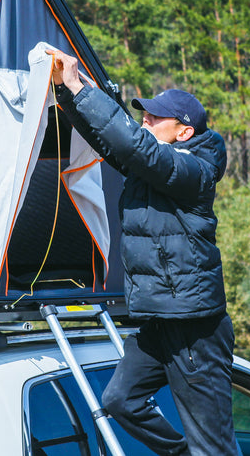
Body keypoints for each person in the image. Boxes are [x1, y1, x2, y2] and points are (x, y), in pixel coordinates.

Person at [46, 48, 237, 456]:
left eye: (154, 117)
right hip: (162, 319)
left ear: (183, 131)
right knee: (120, 400)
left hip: (194, 328)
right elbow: (112, 141)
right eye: (144, 115)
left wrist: (84, 87)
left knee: (214, 448)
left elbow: (138, 148)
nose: (144, 120)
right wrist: (68, 91)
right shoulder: (154, 164)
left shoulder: (194, 171)